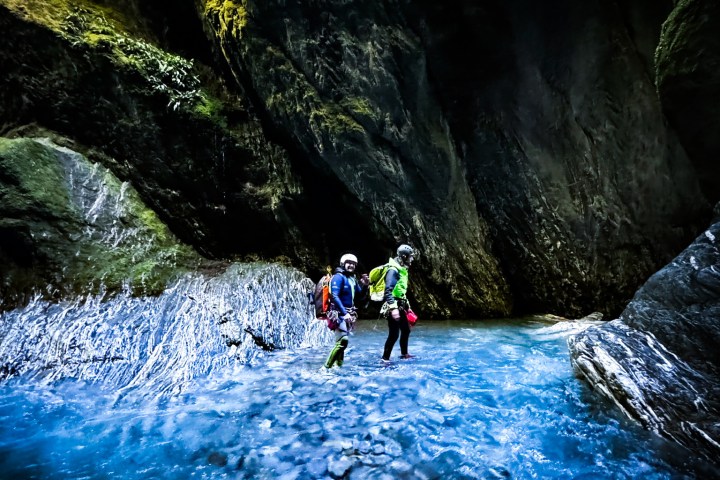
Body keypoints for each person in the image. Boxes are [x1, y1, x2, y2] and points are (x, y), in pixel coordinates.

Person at [324, 253, 369, 368]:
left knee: (341, 342)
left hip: (348, 313)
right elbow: (334, 295)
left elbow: (359, 296)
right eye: (349, 263)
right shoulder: (338, 277)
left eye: (354, 264)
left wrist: (364, 285)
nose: (351, 266)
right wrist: (344, 313)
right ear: (343, 263)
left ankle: (338, 366)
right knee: (343, 340)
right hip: (337, 312)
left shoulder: (352, 278)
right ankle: (326, 367)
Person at [381, 244, 417, 362]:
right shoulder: (393, 270)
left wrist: (409, 307)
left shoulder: (402, 270)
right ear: (404, 256)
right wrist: (393, 309)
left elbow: (401, 292)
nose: (412, 259)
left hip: (401, 305)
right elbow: (388, 291)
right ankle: (385, 359)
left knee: (406, 330)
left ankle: (404, 354)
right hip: (394, 306)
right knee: (394, 335)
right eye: (410, 257)